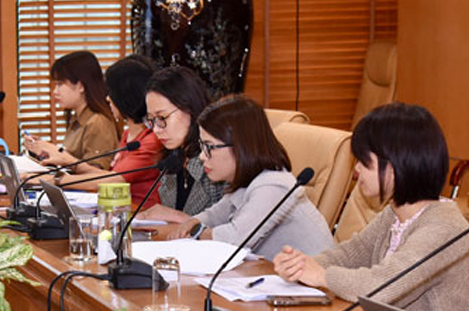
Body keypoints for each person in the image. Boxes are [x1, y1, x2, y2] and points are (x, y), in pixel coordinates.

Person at [274, 103, 469, 311]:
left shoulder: (444, 229)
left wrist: (322, 276)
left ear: (395, 166)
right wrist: (301, 265)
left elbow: (382, 287)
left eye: (364, 162)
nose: (356, 169)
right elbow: (349, 255)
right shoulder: (395, 214)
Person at [170, 95, 333, 258]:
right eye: (202, 146)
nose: (202, 157)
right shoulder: (249, 178)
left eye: (210, 147)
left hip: (315, 273)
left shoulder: (274, 185)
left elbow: (234, 240)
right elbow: (217, 213)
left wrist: (197, 232)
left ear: (241, 147)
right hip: (273, 270)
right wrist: (193, 221)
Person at [47, 55, 164, 205]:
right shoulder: (129, 134)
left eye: (112, 93)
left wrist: (56, 180)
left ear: (126, 96)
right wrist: (68, 162)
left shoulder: (151, 140)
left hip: (140, 214)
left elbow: (111, 180)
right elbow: (108, 175)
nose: (108, 98)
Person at [143, 65, 225, 222]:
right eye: (151, 120)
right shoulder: (173, 159)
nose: (156, 129)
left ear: (190, 109)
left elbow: (231, 229)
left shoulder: (218, 159)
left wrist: (178, 217)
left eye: (162, 118)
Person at [22, 51, 119, 169]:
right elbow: (70, 164)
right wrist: (44, 151)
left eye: (60, 84)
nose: (55, 92)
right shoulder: (76, 119)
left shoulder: (97, 122)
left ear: (81, 86)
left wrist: (54, 151)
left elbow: (95, 174)